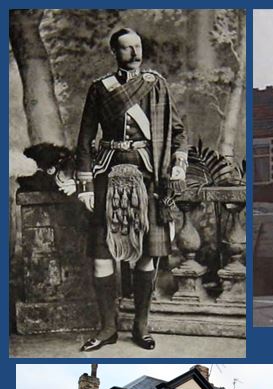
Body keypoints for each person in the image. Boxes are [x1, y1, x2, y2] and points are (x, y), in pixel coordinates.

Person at [76, 28, 188, 351]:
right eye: (127, 48)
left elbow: (178, 132)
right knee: (101, 256)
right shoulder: (100, 90)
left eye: (137, 46)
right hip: (106, 175)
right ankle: (108, 328)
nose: (134, 53)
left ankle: (141, 326)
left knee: (145, 257)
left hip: (147, 176)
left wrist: (178, 165)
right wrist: (84, 184)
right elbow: (84, 139)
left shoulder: (157, 86)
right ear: (115, 53)